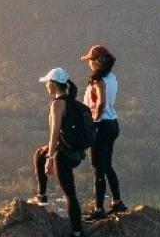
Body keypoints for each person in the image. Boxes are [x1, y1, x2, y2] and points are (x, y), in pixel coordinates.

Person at [30, 67, 94, 236]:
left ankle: (77, 232)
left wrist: (50, 158)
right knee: (39, 154)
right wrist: (48, 151)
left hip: (63, 156)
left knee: (69, 194)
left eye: (47, 83)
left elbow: (55, 132)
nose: (45, 87)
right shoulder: (74, 103)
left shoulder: (58, 104)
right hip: (76, 153)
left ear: (53, 84)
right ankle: (41, 197)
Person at [82, 45, 127, 218]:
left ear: (98, 61)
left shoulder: (98, 79)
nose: (89, 64)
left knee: (97, 168)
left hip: (101, 126)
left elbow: (101, 102)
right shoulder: (112, 77)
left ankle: (99, 209)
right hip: (112, 123)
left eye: (91, 60)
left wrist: (95, 121)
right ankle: (117, 202)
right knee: (107, 164)